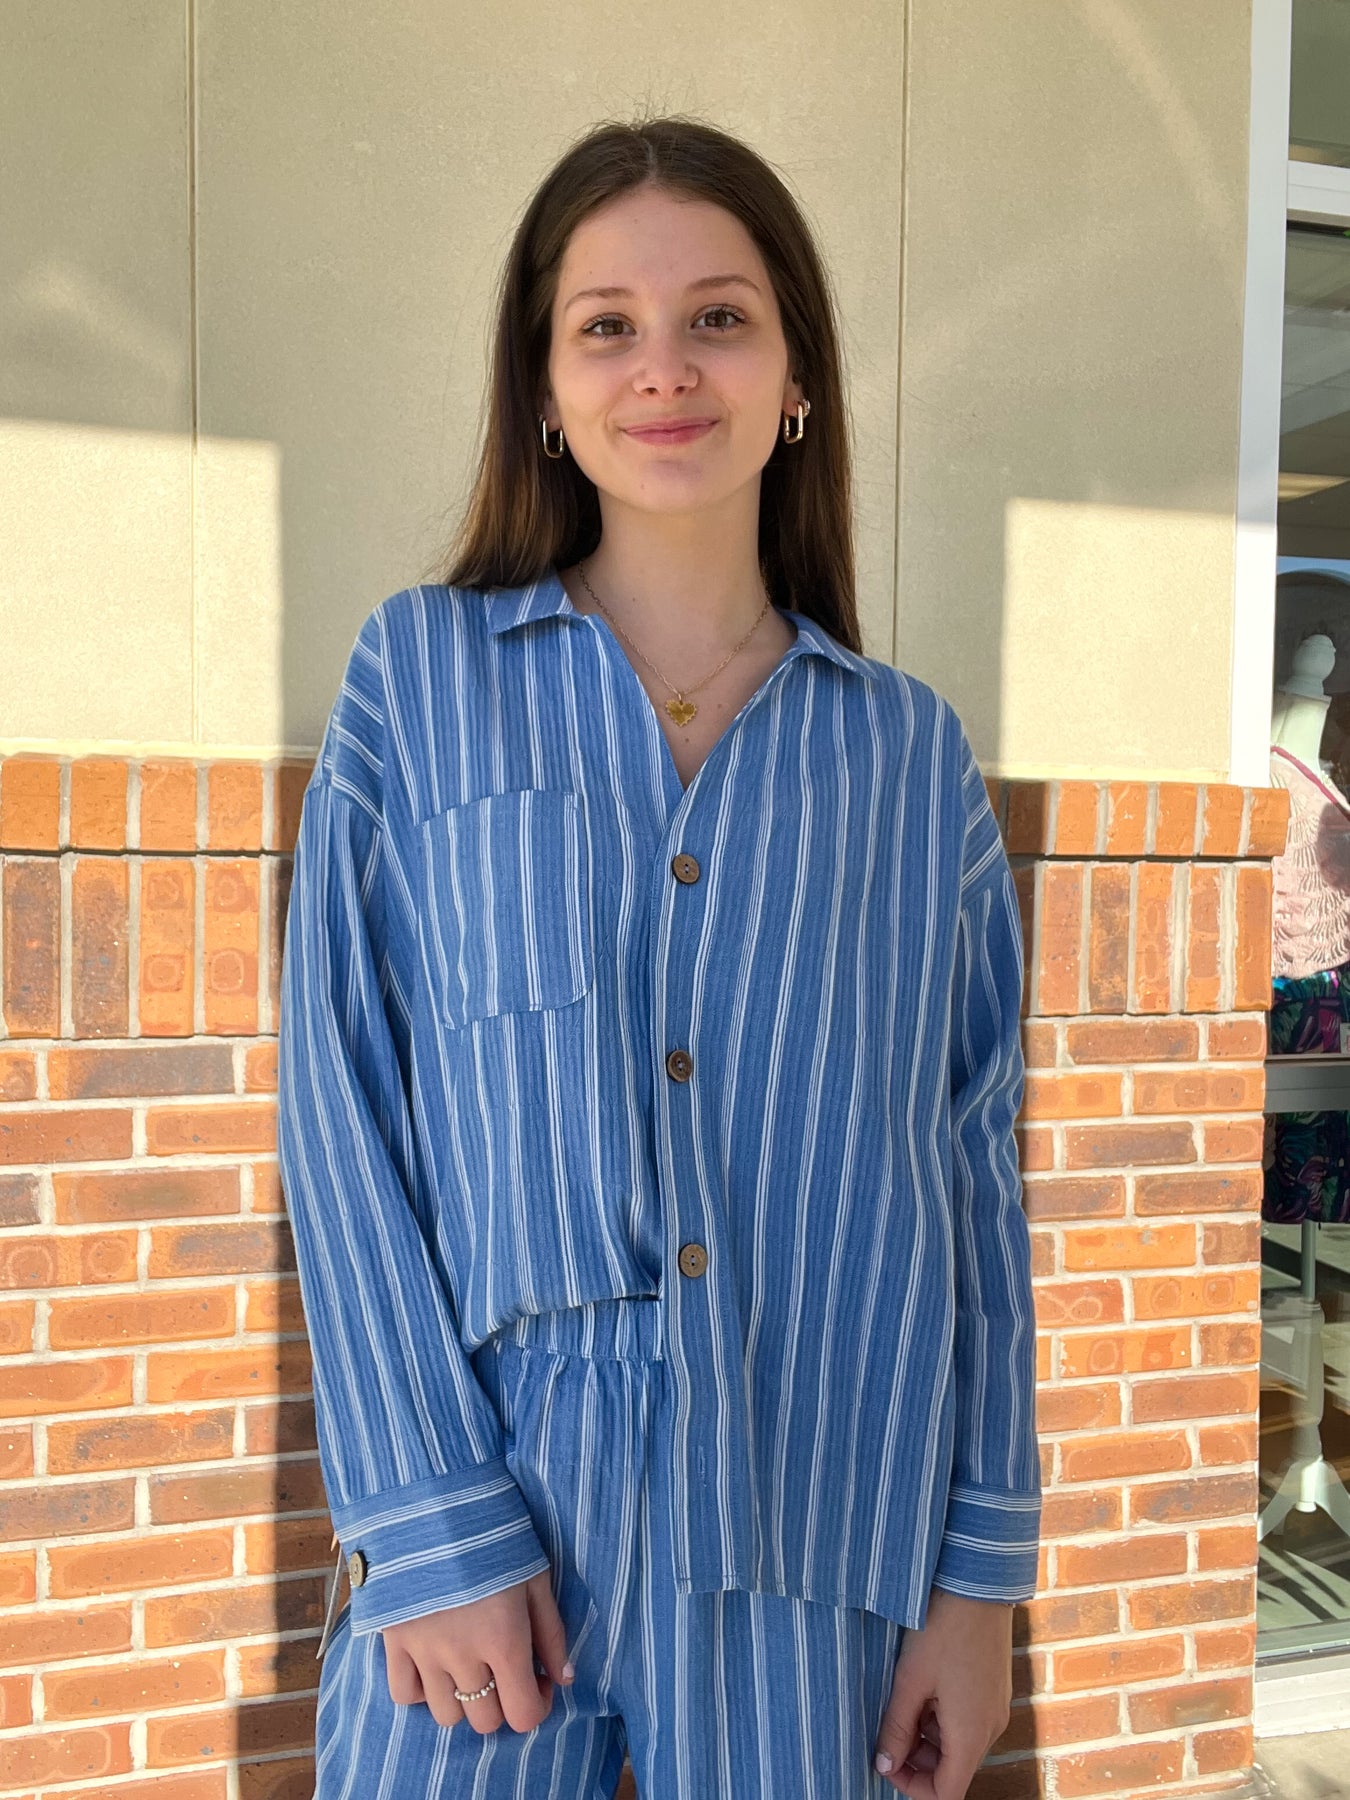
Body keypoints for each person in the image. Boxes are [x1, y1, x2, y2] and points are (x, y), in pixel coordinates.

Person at [277, 113, 1041, 1800]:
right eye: (605, 325)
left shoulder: (908, 759)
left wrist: (978, 1584)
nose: (662, 368)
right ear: (544, 390)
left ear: (795, 376)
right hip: (493, 1515)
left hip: (821, 1534)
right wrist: (427, 1521)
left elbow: (968, 1177)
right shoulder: (421, 681)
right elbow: (341, 1112)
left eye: (718, 317)